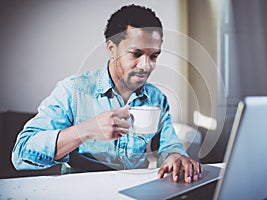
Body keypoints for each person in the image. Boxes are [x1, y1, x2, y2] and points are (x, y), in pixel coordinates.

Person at [12, 4, 201, 183]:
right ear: (112, 49)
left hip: (134, 192)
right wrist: (85, 130)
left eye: (153, 56)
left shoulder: (157, 98)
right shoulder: (73, 91)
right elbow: (21, 153)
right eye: (136, 54)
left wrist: (175, 157)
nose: (146, 66)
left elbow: (169, 145)